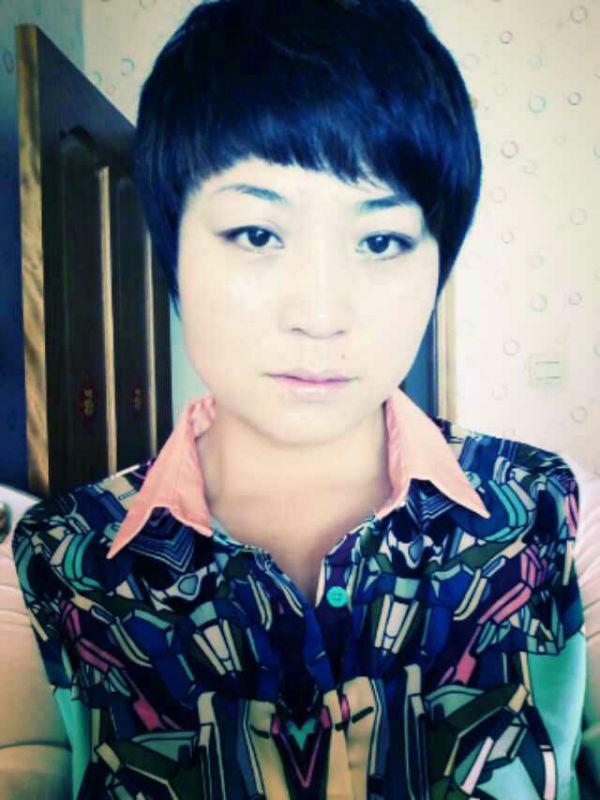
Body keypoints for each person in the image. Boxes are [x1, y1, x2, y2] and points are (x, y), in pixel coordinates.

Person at [10, 1, 588, 798]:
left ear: (437, 268)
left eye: (380, 241)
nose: (320, 315)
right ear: (173, 251)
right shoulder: (50, 562)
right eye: (257, 234)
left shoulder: (554, 513)